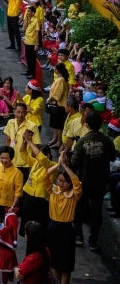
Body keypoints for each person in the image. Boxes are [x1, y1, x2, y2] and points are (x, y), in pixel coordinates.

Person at [70, 112, 116, 252]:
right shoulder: (107, 140)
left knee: (79, 209)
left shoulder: (82, 141)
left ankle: (78, 236)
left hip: (84, 181)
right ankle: (93, 241)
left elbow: (74, 162)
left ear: (87, 124)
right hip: (100, 182)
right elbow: (112, 158)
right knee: (97, 212)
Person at [44, 151, 81, 284]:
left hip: (66, 230)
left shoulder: (74, 194)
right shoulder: (53, 190)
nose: (61, 183)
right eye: (59, 180)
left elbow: (77, 183)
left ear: (70, 183)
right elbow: (45, 176)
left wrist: (66, 167)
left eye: (65, 181)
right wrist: (58, 164)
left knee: (66, 265)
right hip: (53, 228)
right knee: (54, 262)